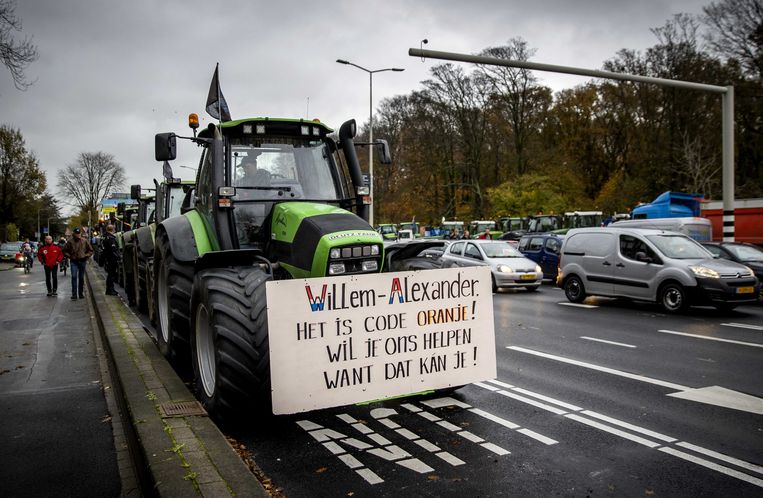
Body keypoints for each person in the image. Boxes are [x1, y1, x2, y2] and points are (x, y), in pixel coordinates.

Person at [63, 227, 94, 300]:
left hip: (82, 261)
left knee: (81, 277)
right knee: (74, 276)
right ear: (74, 234)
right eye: (76, 234)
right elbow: (64, 251)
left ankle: (80, 293)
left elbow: (90, 250)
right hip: (74, 261)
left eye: (79, 233)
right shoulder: (70, 241)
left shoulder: (84, 241)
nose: (78, 235)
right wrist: (70, 256)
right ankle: (74, 294)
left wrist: (85, 256)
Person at [101, 224, 120, 296]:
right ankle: (110, 289)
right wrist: (117, 257)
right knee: (111, 274)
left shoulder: (105, 237)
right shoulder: (111, 238)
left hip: (107, 258)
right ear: (112, 230)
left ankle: (110, 289)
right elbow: (113, 249)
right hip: (111, 258)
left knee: (110, 274)